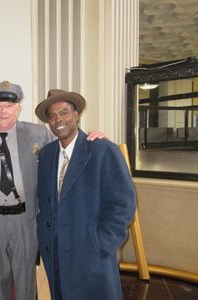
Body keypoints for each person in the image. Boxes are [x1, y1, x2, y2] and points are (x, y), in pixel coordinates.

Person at [0, 81, 104, 300]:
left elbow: (69, 145)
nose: (4, 110)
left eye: (9, 105)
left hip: (26, 220)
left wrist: (92, 139)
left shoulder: (39, 134)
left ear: (18, 108)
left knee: (25, 283)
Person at [34, 89, 136, 300]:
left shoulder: (102, 150)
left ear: (76, 115)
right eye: (52, 116)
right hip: (55, 255)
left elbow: (123, 204)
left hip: (92, 254)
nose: (58, 120)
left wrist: (104, 243)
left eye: (63, 113)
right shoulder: (46, 154)